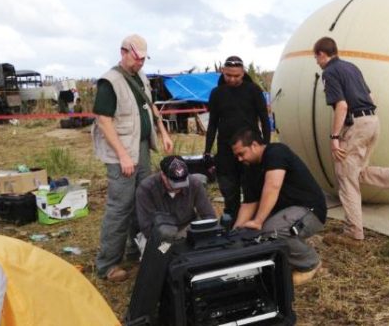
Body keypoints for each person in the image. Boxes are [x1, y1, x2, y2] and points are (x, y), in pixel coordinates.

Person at [313, 36, 389, 246]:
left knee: (345, 176)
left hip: (356, 124)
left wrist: (335, 138)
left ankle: (353, 232)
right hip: (372, 121)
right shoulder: (352, 68)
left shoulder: (329, 73)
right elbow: (371, 97)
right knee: (357, 172)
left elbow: (341, 106)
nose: (317, 62)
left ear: (322, 54)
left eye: (316, 58)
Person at [92, 34, 173, 282]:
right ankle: (107, 264)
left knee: (143, 200)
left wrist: (163, 132)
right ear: (124, 52)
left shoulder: (140, 76)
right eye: (137, 59)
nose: (140, 63)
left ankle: (134, 248)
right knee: (120, 207)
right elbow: (103, 121)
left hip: (141, 148)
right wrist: (123, 156)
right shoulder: (110, 81)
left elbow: (150, 106)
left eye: (143, 59)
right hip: (122, 155)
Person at [231, 128, 326, 286]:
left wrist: (258, 221)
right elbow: (249, 203)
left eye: (241, 153)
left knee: (269, 230)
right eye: (237, 156)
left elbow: (272, 186)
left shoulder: (276, 152)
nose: (239, 159)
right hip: (287, 213)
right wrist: (236, 232)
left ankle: (310, 263)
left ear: (254, 145)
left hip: (310, 211)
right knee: (249, 232)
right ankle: (284, 259)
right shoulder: (250, 169)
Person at [204, 56, 271, 224]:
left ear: (243, 74)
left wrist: (266, 145)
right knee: (229, 187)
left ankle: (253, 219)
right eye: (228, 75)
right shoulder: (217, 93)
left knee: (252, 185)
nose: (232, 79)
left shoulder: (253, 90)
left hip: (250, 147)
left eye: (236, 76)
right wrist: (207, 149)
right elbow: (212, 124)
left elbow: (264, 119)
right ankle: (231, 218)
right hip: (226, 149)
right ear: (223, 72)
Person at [135, 155, 216, 255]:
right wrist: (169, 244)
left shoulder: (194, 183)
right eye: (174, 183)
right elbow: (146, 227)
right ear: (163, 175)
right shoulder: (146, 189)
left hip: (187, 230)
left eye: (182, 182)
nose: (179, 188)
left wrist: (193, 234)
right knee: (156, 259)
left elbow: (209, 216)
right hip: (159, 236)